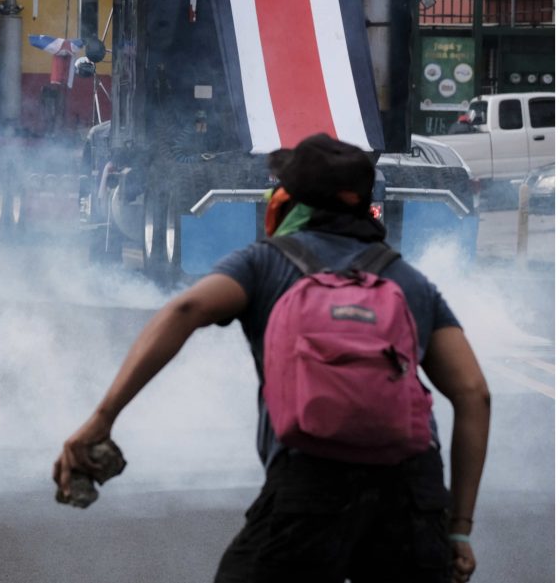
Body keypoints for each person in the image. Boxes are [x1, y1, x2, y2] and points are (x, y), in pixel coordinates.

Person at [54, 134, 491, 583]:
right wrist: (458, 531)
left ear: (287, 200)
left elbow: (184, 311)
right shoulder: (408, 280)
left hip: (310, 486)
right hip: (412, 495)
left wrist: (102, 418)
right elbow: (473, 394)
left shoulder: (264, 263)